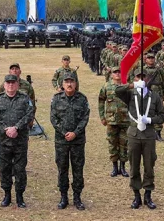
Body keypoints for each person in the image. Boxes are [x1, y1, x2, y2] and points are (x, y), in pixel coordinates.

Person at [117, 66, 164, 210]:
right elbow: (117, 90)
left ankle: (148, 195)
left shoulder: (154, 96)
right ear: (135, 79)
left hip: (149, 136)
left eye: (143, 77)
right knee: (134, 166)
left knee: (149, 166)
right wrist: (133, 85)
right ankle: (136, 195)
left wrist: (150, 120)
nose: (141, 79)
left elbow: (162, 116)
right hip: (133, 135)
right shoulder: (130, 94)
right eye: (138, 77)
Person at [0, 73, 35, 208]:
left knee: (20, 169)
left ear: (17, 84)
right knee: (4, 168)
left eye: (13, 83)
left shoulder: (24, 98)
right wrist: (6, 129)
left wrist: (16, 128)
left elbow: (29, 114)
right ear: (4, 85)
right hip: (3, 141)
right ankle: (7, 195)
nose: (10, 85)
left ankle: (20, 196)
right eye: (8, 83)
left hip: (19, 141)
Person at [50, 72, 89, 211]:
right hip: (61, 141)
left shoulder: (82, 99)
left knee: (78, 169)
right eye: (66, 81)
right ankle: (63, 196)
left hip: (77, 141)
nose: (69, 84)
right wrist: (64, 133)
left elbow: (85, 118)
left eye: (72, 81)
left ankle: (77, 197)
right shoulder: (56, 99)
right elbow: (53, 118)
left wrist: (75, 133)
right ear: (62, 84)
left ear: (76, 83)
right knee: (62, 169)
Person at [98, 66, 130, 177]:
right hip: (111, 120)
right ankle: (115, 167)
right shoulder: (106, 86)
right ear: (111, 74)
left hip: (125, 120)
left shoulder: (126, 86)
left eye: (119, 72)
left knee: (124, 144)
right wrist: (102, 117)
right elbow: (101, 101)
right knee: (112, 143)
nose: (117, 74)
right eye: (115, 72)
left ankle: (123, 167)